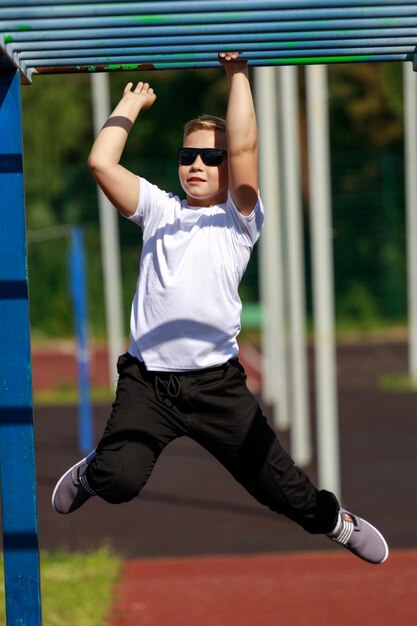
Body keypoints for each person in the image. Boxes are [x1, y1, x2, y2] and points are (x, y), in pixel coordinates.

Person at [52, 52, 388, 565]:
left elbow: (247, 144)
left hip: (216, 387)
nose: (197, 166)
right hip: (149, 382)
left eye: (211, 158)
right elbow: (101, 163)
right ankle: (98, 466)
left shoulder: (239, 219)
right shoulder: (158, 209)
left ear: (228, 168)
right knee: (118, 482)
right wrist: (129, 103)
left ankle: (335, 522)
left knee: (283, 491)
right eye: (189, 157)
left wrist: (237, 76)